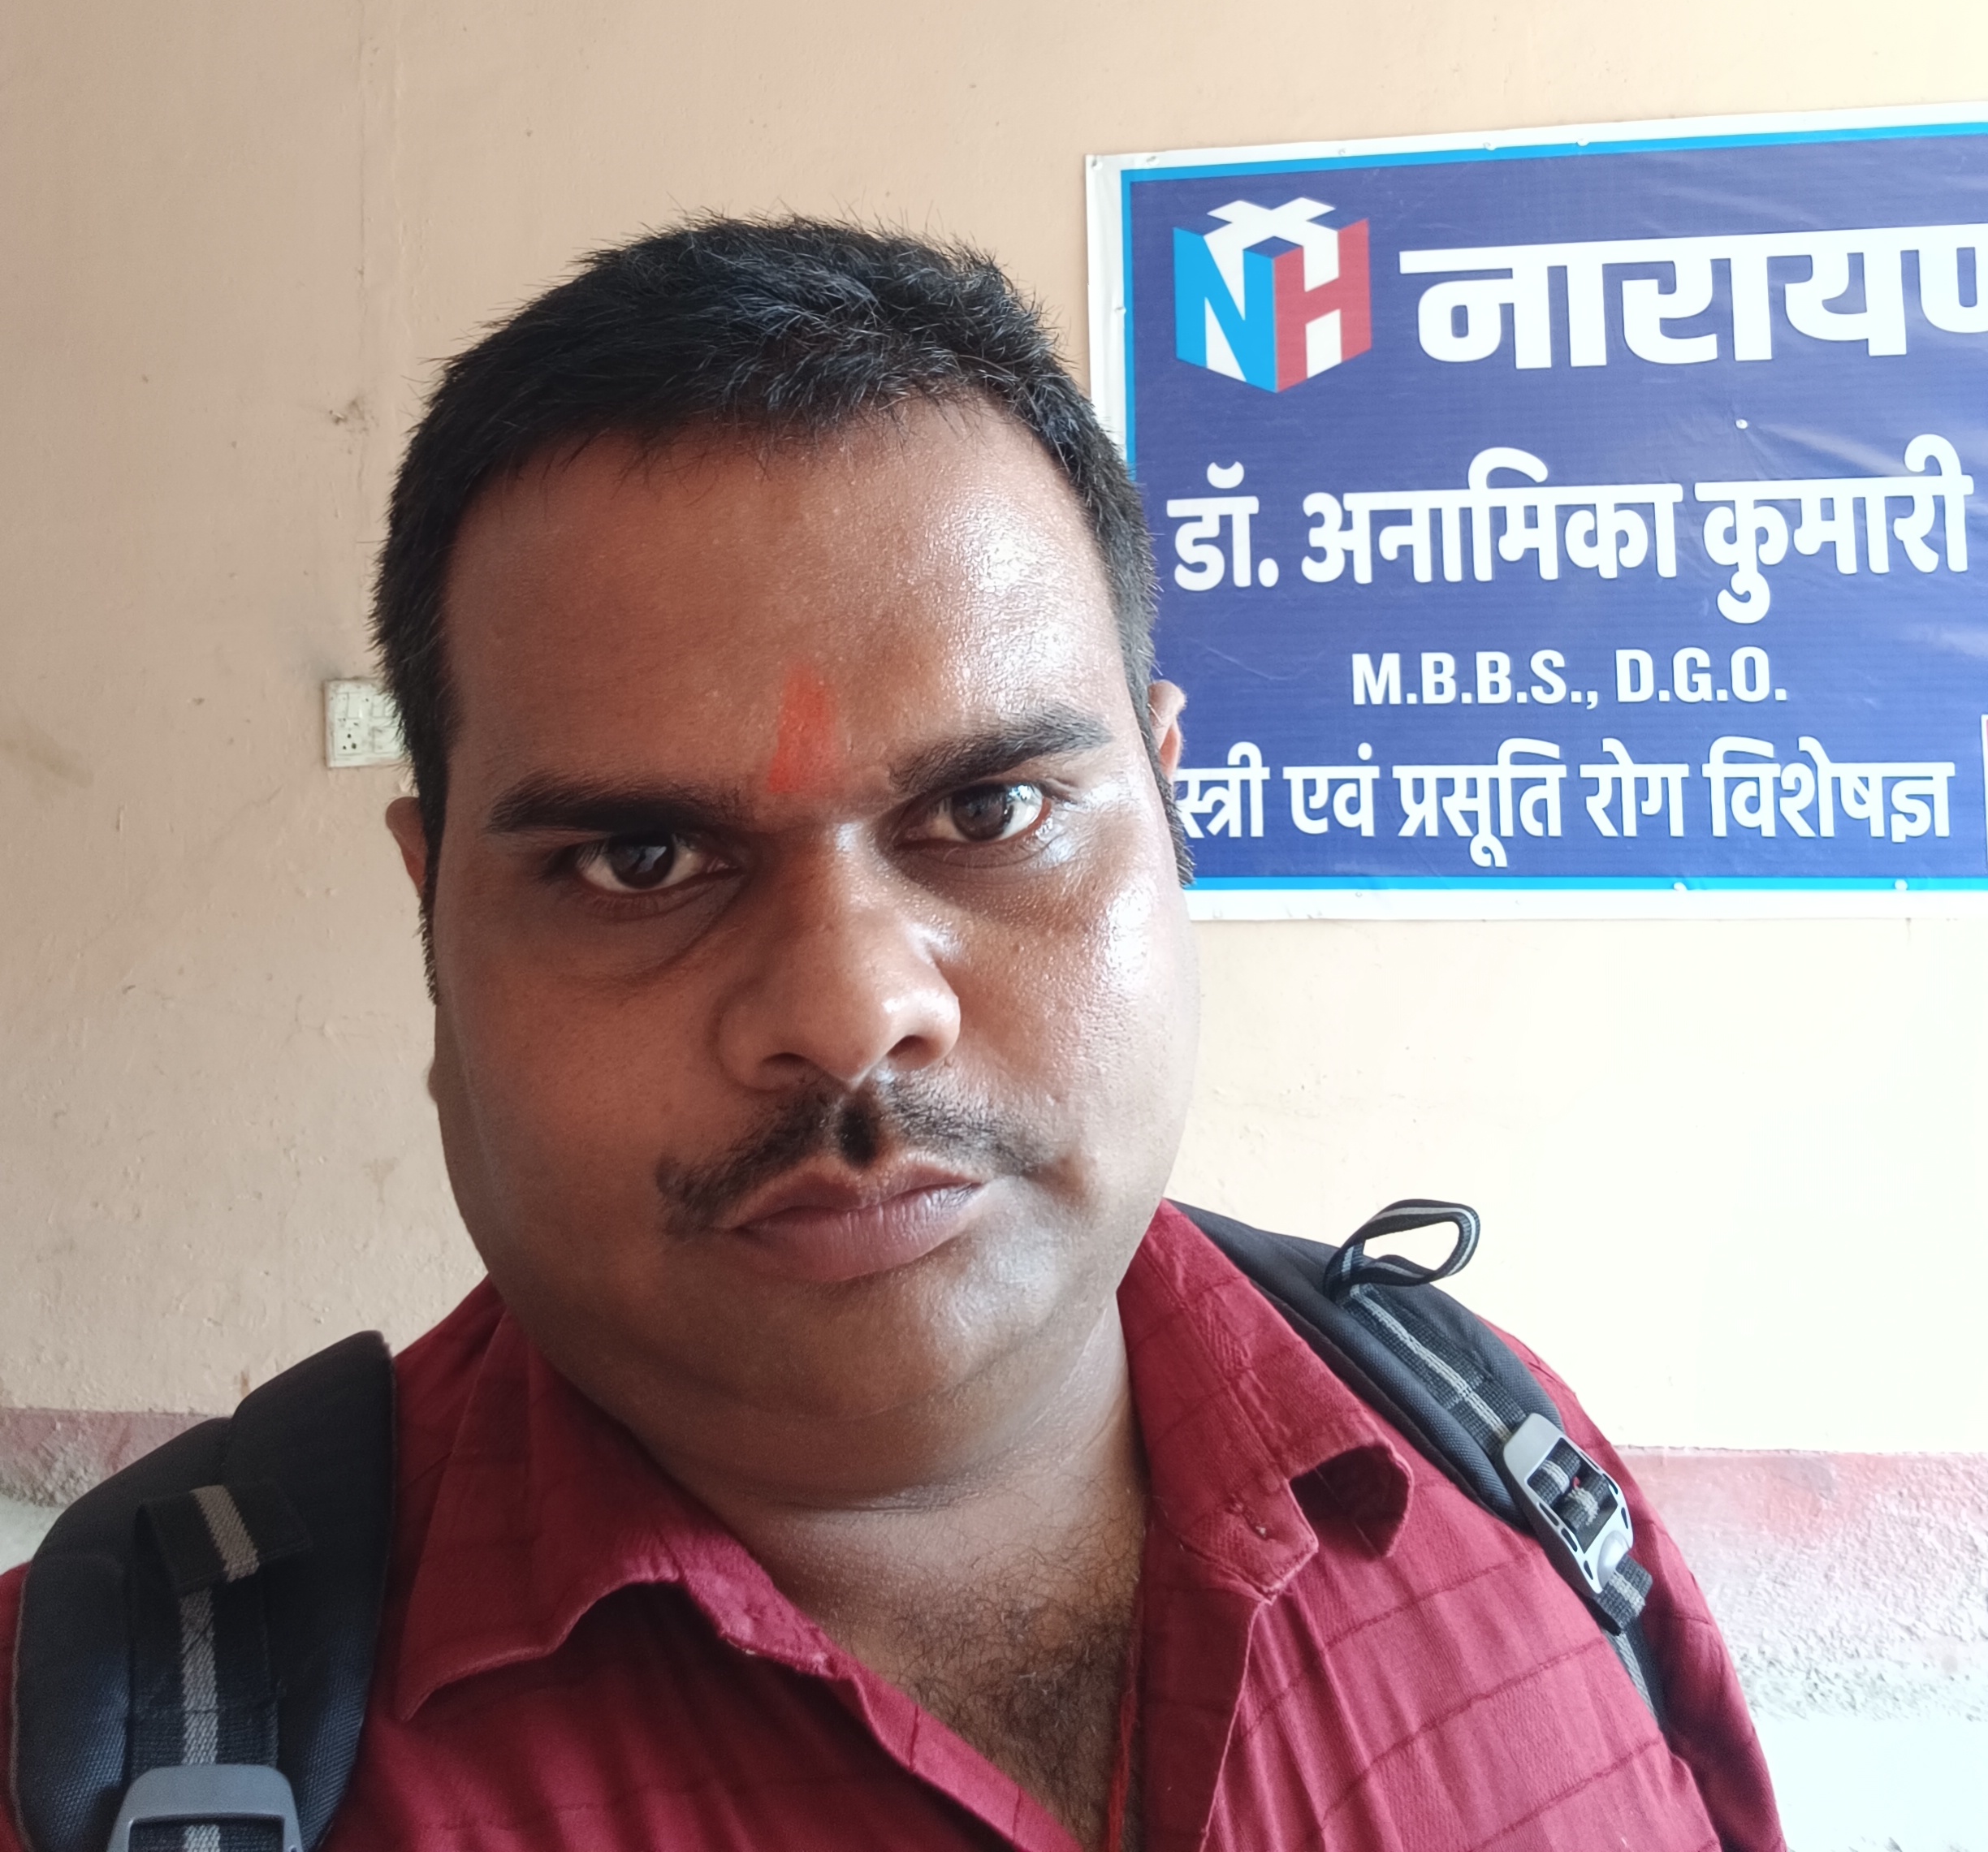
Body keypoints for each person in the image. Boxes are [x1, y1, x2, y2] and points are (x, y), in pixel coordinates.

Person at [0, 219, 1783, 1851]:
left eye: (991, 811)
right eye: (640, 859)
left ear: (1170, 807)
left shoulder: (1506, 1465)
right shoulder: (85, 1755)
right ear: (434, 918)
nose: (851, 1011)